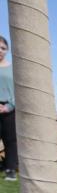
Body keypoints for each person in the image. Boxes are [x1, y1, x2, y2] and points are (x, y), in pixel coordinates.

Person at [0, 36, 17, 181]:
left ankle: (10, 170)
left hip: (9, 108)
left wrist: (9, 106)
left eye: (3, 48)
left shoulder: (14, 69)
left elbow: (18, 91)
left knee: (10, 140)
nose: (0, 51)